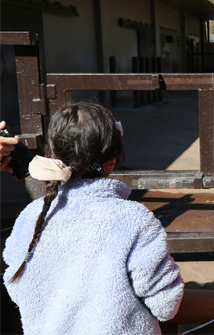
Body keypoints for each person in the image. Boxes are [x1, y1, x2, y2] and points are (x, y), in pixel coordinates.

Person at [3, 101, 183, 335]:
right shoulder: (135, 219)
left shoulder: (31, 215)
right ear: (112, 159)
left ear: (54, 154)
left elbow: (16, 285)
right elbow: (166, 305)